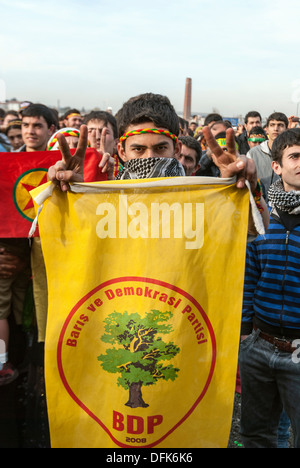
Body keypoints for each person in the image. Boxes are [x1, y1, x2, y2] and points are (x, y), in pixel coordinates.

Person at [48, 92, 268, 235]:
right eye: (138, 149)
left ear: (177, 149)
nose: (149, 159)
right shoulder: (106, 201)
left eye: (160, 148)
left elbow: (255, 230)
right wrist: (70, 196)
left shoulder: (201, 197)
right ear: (122, 152)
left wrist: (246, 185)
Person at [239, 128, 300, 448]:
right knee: (256, 436)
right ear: (277, 166)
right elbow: (249, 278)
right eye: (295, 156)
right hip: (259, 347)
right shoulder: (260, 215)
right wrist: (245, 334)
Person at [247, 112, 288, 200]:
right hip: (259, 203)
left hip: (283, 205)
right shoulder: (253, 153)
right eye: (272, 125)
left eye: (280, 125)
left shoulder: (291, 154)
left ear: (286, 129)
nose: (276, 129)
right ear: (267, 129)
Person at [83, 110, 121, 178]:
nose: (97, 137)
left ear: (116, 143)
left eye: (105, 132)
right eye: (90, 131)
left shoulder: (126, 175)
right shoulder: (75, 170)